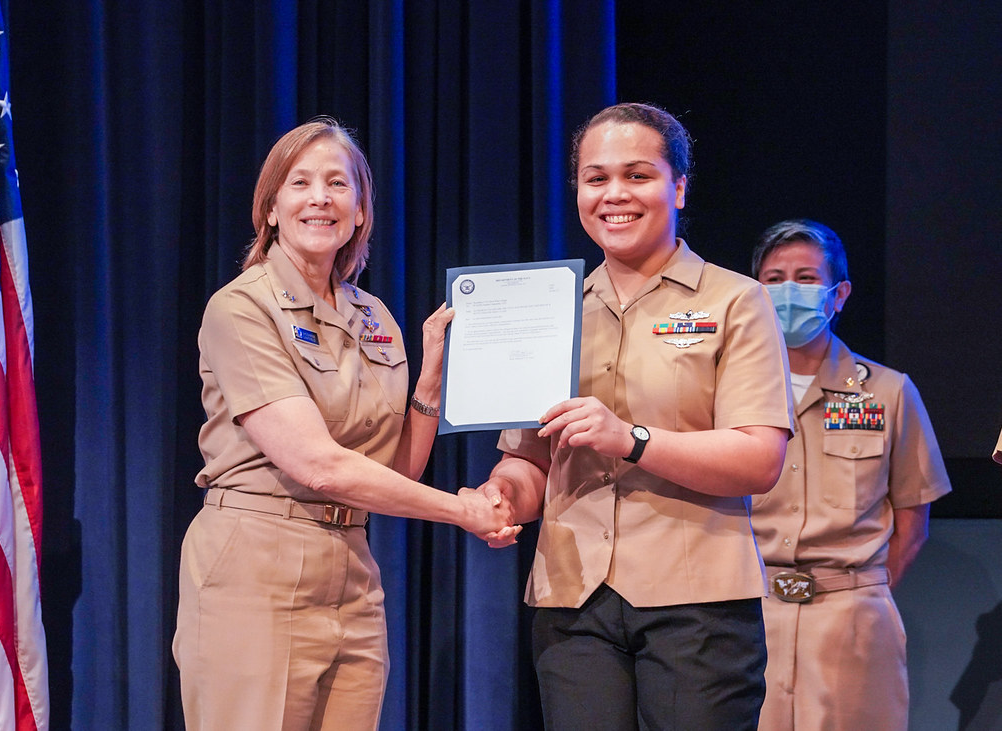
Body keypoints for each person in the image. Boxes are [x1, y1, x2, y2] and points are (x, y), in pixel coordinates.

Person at [172, 118, 514, 730]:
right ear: (271, 208)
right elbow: (316, 464)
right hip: (257, 563)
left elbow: (393, 472)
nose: (320, 198)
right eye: (300, 183)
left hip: (353, 566)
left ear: (360, 212)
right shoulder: (240, 307)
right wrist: (462, 511)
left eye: (338, 183)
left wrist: (431, 376)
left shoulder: (374, 315)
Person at [478, 102, 794, 730]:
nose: (614, 194)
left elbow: (760, 458)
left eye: (637, 175)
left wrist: (632, 439)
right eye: (595, 179)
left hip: (697, 606)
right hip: (572, 602)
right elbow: (529, 461)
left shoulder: (736, 299)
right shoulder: (547, 305)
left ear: (678, 186)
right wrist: (499, 498)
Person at [748, 219, 952, 731]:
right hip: (749, 618)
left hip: (852, 620)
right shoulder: (724, 396)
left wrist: (857, 595)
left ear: (839, 294)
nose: (788, 292)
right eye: (772, 279)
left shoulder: (888, 392)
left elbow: (913, 521)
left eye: (806, 278)